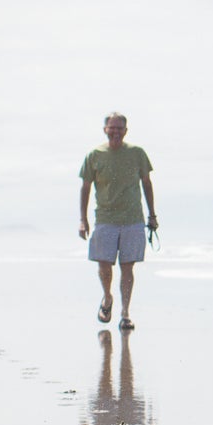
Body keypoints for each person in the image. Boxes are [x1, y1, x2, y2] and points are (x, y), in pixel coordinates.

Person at [79, 112, 157, 330]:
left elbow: (147, 183)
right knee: (104, 265)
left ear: (126, 131)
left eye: (119, 128)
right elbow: (85, 187)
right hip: (105, 218)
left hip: (132, 219)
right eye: (111, 128)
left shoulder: (137, 153)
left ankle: (125, 313)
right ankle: (107, 297)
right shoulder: (94, 155)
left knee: (127, 268)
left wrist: (152, 215)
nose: (115, 132)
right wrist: (83, 220)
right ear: (105, 129)